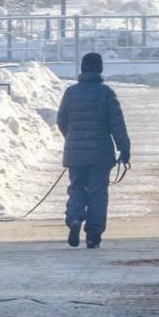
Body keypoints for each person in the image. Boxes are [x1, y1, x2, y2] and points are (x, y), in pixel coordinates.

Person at [56, 52, 130, 249]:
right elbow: (117, 125)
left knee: (77, 188)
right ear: (100, 69)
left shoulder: (71, 92)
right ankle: (93, 236)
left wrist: (73, 139)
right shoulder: (106, 93)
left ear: (82, 69)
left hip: (75, 153)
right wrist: (124, 149)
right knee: (98, 193)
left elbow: (61, 121)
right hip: (101, 153)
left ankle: (74, 219)